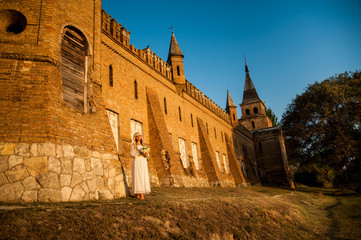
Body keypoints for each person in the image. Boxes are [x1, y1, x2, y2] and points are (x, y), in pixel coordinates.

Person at [130, 132, 151, 200]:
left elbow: (147, 154)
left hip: (143, 162)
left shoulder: (143, 146)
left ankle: (136, 194)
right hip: (137, 161)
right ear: (135, 137)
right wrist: (139, 153)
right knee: (138, 176)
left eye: (140, 136)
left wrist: (146, 154)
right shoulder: (134, 145)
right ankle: (140, 193)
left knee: (143, 176)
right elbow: (132, 154)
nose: (139, 137)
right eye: (137, 136)